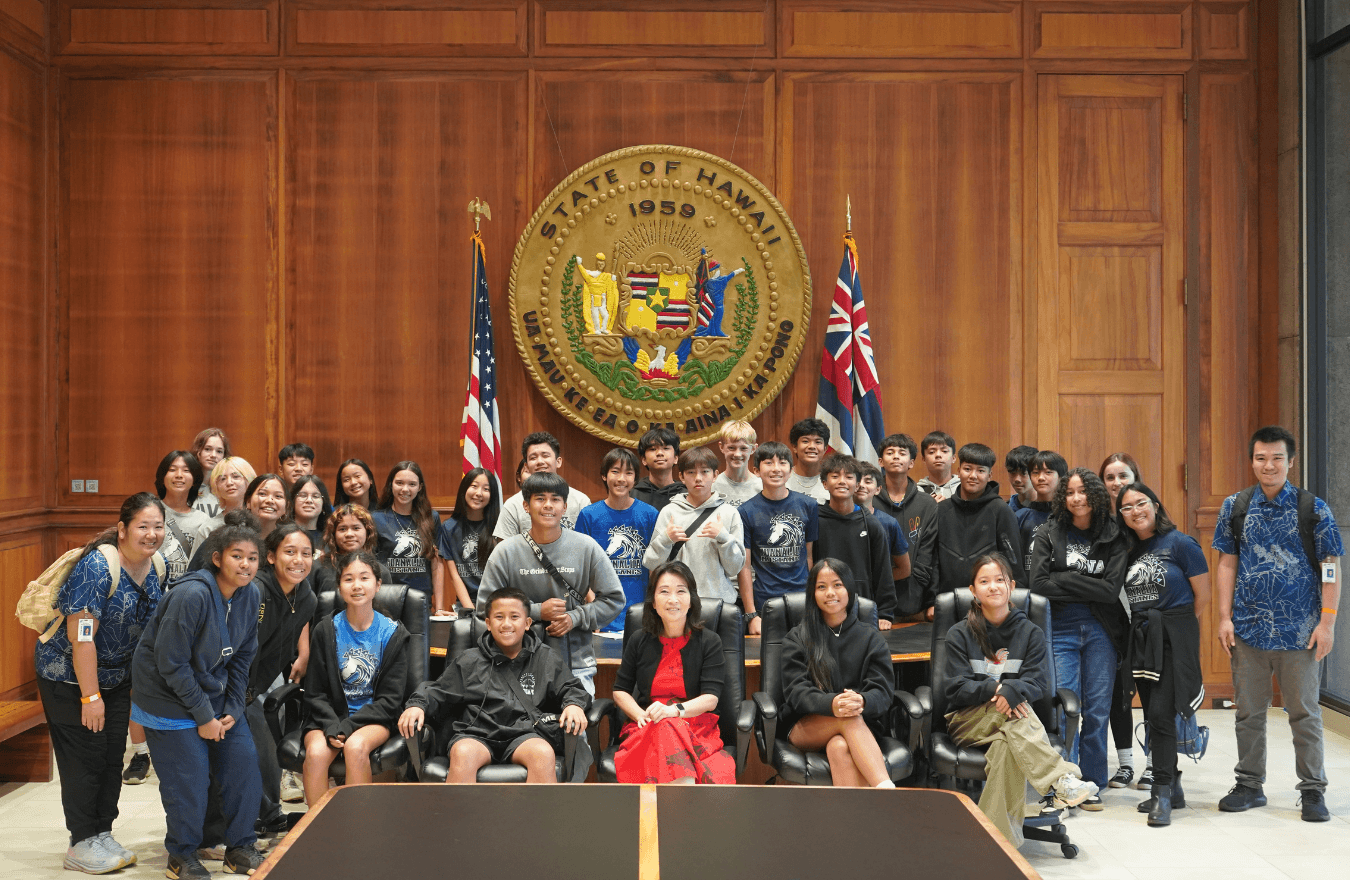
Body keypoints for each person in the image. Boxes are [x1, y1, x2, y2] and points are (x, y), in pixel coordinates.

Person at [1212, 425, 1342, 822]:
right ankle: (1250, 784)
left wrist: (1328, 623)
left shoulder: (1313, 508)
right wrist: (1223, 617)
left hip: (1300, 633)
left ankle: (1313, 791)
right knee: (1248, 712)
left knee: (1304, 713)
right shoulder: (1235, 506)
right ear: (1252, 460)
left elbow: (1331, 566)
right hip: (1249, 630)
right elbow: (1227, 563)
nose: (1268, 465)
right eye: (1261, 457)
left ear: (1291, 461)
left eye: (1277, 458)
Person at [34, 494, 166, 874]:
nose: (151, 534)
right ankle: (80, 841)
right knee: (84, 758)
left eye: (158, 526)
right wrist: (90, 696)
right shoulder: (98, 565)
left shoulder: (156, 565)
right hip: (69, 677)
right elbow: (83, 638)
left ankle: (101, 833)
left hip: (116, 677)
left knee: (112, 757)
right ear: (123, 529)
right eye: (143, 526)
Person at [130, 524, 267, 880]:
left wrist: (232, 710)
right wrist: (204, 716)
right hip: (167, 698)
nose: (246, 565)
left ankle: (240, 847)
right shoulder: (191, 594)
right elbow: (170, 664)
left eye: (253, 558)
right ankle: (182, 854)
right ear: (218, 558)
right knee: (188, 780)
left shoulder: (250, 595)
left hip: (213, 696)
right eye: (237, 556)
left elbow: (242, 659)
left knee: (245, 764)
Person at [943, 554, 1098, 845]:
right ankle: (1059, 779)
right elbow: (954, 688)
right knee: (1013, 711)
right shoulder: (959, 633)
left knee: (1005, 747)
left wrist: (1012, 692)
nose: (993, 587)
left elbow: (1038, 682)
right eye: (984, 581)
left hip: (1005, 723)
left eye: (999, 580)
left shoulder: (1030, 632)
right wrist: (1000, 690)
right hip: (966, 722)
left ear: (1011, 586)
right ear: (973, 591)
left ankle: (993, 844)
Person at [398, 587, 589, 783]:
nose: (506, 624)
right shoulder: (469, 660)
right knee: (463, 753)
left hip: (525, 734)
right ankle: (460, 815)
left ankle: (537, 815)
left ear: (527, 623)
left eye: (514, 617)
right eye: (499, 617)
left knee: (543, 753)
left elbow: (572, 688)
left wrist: (573, 705)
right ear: (488, 623)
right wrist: (417, 705)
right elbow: (437, 691)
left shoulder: (545, 657)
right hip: (476, 734)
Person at [1029, 468, 1128, 807]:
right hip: (1061, 630)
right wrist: (1088, 585)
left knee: (1098, 710)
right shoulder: (1048, 533)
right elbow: (1039, 585)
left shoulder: (1114, 534)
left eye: (1082, 492)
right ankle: (1065, 782)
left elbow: (1110, 591)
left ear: (1095, 495)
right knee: (1065, 709)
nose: (1076, 498)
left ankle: (1093, 783)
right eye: (1069, 492)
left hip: (1102, 630)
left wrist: (1064, 575)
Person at [476, 472, 624, 696]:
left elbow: (614, 600)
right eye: (540, 498)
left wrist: (575, 618)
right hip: (515, 662)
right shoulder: (505, 551)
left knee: (574, 727)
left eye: (555, 499)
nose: (548, 505)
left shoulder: (586, 547)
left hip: (575, 665)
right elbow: (486, 606)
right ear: (526, 505)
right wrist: (535, 611)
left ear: (564, 507)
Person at [1117, 482, 1209, 826]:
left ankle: (1161, 792)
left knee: (1160, 713)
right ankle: (1175, 786)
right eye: (1126, 508)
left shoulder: (1182, 544)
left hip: (1173, 636)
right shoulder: (1129, 550)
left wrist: (1177, 631)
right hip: (1142, 638)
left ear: (1155, 504)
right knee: (1154, 715)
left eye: (1141, 503)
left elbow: (1202, 596)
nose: (1135, 511)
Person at [300, 551, 411, 806]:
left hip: (373, 718)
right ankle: (317, 833)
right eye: (348, 579)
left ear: (378, 584)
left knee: (355, 747)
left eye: (364, 578)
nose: (357, 585)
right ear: (339, 586)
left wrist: (349, 727)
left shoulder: (393, 633)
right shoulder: (325, 630)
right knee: (316, 753)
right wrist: (331, 725)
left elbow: (390, 701)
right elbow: (314, 693)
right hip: (328, 717)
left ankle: (357, 831)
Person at [612, 561, 734, 784]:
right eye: (664, 592)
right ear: (654, 603)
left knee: (668, 725)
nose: (673, 599)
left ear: (691, 601)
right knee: (664, 727)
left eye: (681, 591)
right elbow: (620, 690)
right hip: (648, 726)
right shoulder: (639, 640)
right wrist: (640, 715)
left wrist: (673, 711)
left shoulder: (709, 641)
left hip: (694, 726)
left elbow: (711, 699)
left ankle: (668, 812)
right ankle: (681, 811)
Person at [780, 559, 895, 788]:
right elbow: (796, 691)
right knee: (848, 718)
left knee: (839, 746)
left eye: (837, 585)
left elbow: (882, 692)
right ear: (812, 593)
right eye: (821, 587)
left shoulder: (871, 638)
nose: (830, 593)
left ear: (849, 589)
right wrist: (832, 704)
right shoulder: (798, 637)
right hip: (806, 727)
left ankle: (848, 821)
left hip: (860, 725)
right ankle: (887, 793)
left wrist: (861, 700)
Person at [246, 523, 316, 834]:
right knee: (256, 741)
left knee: (266, 739)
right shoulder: (255, 590)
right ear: (271, 557)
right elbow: (239, 651)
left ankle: (268, 815)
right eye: (290, 552)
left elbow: (279, 654)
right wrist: (241, 694)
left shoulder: (307, 598)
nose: (299, 560)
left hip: (256, 684)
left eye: (306, 553)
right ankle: (256, 817)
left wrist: (253, 691)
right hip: (228, 684)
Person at [915, 443, 1024, 619]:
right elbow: (932, 560)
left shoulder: (1001, 510)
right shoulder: (941, 510)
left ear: (989, 475)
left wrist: (1012, 603)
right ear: (959, 471)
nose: (973, 476)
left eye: (980, 471)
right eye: (967, 469)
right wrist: (931, 602)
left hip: (990, 606)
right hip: (947, 605)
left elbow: (1013, 563)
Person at [643, 446, 746, 606]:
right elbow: (650, 563)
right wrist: (665, 540)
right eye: (691, 472)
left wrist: (724, 538)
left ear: (715, 475)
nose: (698, 478)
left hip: (719, 604)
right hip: (677, 604)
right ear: (681, 477)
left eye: (705, 472)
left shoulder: (729, 513)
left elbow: (735, 568)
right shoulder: (669, 512)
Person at [1099, 451, 1146, 790]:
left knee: (1153, 692)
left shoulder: (1147, 515)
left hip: (1146, 619)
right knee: (1118, 693)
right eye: (1110, 477)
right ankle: (1125, 764)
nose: (1117, 483)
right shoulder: (1099, 522)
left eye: (1123, 476)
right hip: (1111, 620)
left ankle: (1159, 765)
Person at [738, 441, 818, 635]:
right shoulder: (745, 511)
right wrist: (751, 615)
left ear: (791, 470)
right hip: (765, 602)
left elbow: (808, 557)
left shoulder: (808, 505)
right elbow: (745, 567)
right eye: (768, 463)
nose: (776, 469)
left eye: (782, 463)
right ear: (756, 470)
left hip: (802, 600)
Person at [576, 449, 659, 634]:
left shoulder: (650, 515)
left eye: (628, 473)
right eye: (615, 471)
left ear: (635, 479)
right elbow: (580, 570)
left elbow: (657, 568)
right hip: (601, 618)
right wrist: (593, 613)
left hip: (641, 617)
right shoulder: (588, 515)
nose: (621, 478)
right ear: (604, 476)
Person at [814, 454, 898, 628]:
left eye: (849, 477)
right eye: (835, 476)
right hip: (821, 608)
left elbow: (883, 571)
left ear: (858, 484)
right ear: (824, 483)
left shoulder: (872, 524)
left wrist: (884, 613)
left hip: (863, 610)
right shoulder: (814, 520)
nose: (842, 481)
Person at [873, 433, 938, 622]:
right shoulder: (868, 501)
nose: (895, 456)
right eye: (890, 452)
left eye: (902, 453)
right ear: (880, 461)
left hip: (914, 598)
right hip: (874, 597)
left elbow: (929, 554)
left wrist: (918, 589)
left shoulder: (927, 504)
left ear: (911, 462)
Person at [494, 433, 591, 539]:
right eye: (533, 458)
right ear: (526, 466)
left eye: (545, 456)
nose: (540, 461)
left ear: (558, 462)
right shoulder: (512, 505)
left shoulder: (580, 501)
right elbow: (505, 549)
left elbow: (588, 546)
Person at [372, 460, 443, 603]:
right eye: (399, 483)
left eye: (412, 484)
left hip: (421, 599)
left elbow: (437, 565)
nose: (405, 489)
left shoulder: (431, 518)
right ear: (391, 485)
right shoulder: (376, 518)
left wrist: (440, 607)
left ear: (420, 488)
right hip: (386, 598)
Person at [437, 468, 502, 616]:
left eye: (486, 489)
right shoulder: (449, 527)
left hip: (498, 603)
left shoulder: (499, 526)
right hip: (466, 604)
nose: (479, 493)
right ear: (464, 488)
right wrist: (472, 612)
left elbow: (503, 574)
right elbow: (455, 576)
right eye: (474, 486)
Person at [854, 461, 915, 615]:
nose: (861, 485)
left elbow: (904, 569)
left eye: (868, 481)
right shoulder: (834, 520)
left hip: (876, 604)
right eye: (857, 480)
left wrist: (875, 581)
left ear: (878, 489)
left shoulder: (889, 523)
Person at [154, 450, 211, 586]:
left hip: (186, 593)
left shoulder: (204, 520)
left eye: (186, 471)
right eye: (172, 470)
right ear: (162, 476)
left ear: (194, 479)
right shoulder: (149, 512)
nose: (179, 475)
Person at [313, 504, 393, 598]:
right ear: (333, 534)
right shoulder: (317, 567)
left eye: (356, 528)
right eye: (342, 529)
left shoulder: (381, 571)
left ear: (367, 532)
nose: (349, 534)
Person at [1015, 450, 1066, 576]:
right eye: (1036, 473)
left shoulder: (1070, 516)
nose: (1041, 478)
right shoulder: (1020, 516)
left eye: (1048, 472)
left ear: (1061, 476)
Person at [193, 457, 256, 546]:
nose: (229, 483)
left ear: (249, 480)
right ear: (216, 487)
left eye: (235, 476)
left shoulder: (261, 521)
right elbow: (198, 560)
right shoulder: (208, 528)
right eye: (222, 479)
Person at [712, 419, 762, 507]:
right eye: (731, 448)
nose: (737, 454)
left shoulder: (762, 488)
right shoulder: (712, 487)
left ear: (754, 448)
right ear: (721, 447)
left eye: (743, 448)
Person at [634, 427, 685, 511]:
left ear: (676, 458)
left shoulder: (686, 494)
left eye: (666, 448)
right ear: (644, 460)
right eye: (653, 449)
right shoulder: (632, 494)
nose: (660, 453)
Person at [785, 418, 831, 503]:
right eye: (805, 441)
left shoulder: (832, 481)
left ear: (825, 449)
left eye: (818, 442)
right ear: (795, 447)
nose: (812, 446)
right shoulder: (782, 478)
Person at [189, 429, 230, 518]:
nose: (213, 455)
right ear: (198, 451)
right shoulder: (185, 485)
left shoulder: (229, 488)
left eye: (219, 451)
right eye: (207, 449)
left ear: (224, 456)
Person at [288, 474, 333, 549]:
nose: (309, 500)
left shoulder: (330, 539)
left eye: (315, 496)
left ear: (323, 504)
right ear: (293, 501)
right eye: (303, 495)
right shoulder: (281, 534)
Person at [244, 473, 288, 542]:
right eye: (262, 494)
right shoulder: (233, 536)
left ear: (286, 507)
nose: (270, 500)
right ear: (248, 502)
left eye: (278, 496)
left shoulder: (289, 539)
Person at [917, 431, 960, 501]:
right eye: (931, 452)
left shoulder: (963, 488)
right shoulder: (916, 492)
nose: (938, 455)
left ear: (954, 458)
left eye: (944, 451)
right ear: (923, 459)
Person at [1005, 445, 1038, 512]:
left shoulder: (1052, 510)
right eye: (1012, 473)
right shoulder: (1005, 510)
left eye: (1023, 473)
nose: (1017, 479)